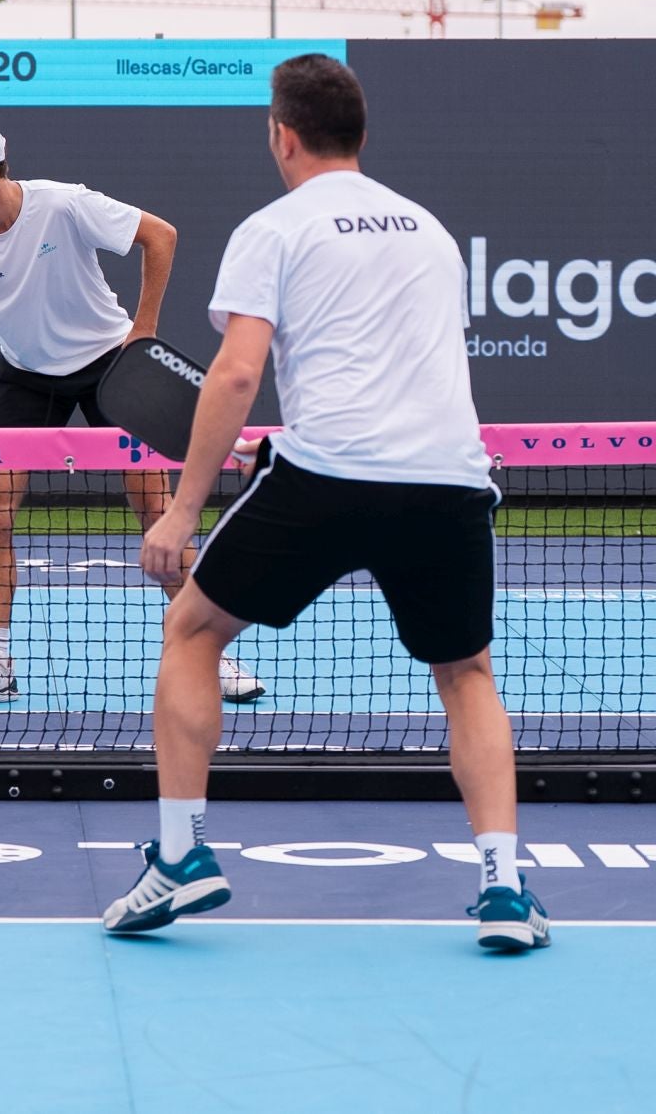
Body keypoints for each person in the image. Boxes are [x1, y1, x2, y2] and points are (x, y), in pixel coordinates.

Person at [102, 55, 549, 952]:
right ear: (363, 136)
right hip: (450, 477)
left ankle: (183, 856)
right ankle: (504, 884)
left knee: (192, 628)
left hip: (329, 473)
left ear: (282, 133)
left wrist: (182, 510)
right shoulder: (429, 229)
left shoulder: (272, 228)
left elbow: (236, 371)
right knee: (466, 672)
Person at [0, 120, 264, 707]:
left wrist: (143, 333)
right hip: (26, 374)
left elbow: (162, 236)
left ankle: (208, 651)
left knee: (158, 507)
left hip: (110, 362)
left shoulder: (64, 205)